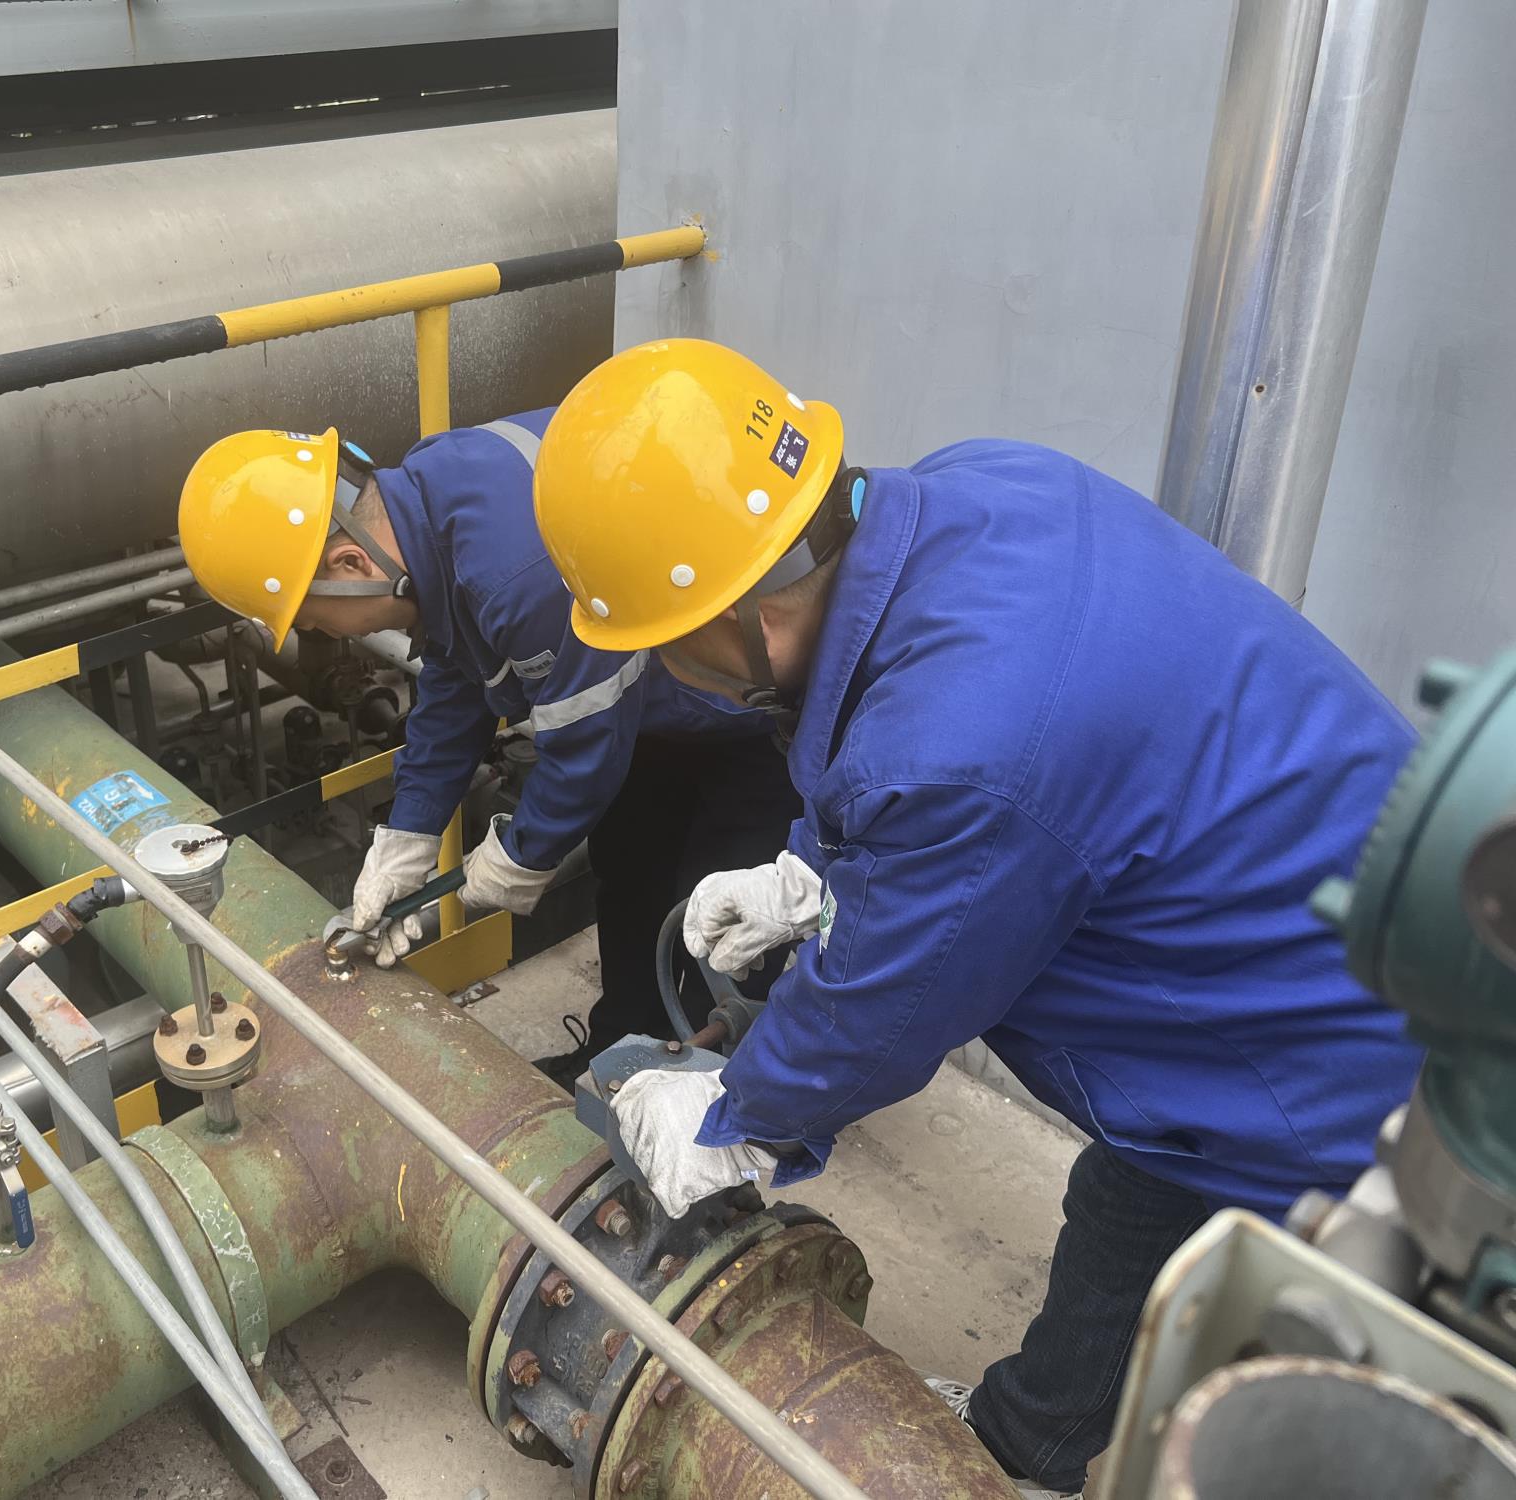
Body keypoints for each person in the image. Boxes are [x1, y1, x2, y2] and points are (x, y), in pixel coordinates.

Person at [530, 338, 1424, 1497]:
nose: (666, 670)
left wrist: (733, 1118)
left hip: (1330, 1054)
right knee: (1131, 1195)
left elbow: (884, 1006)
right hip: (1352, 888)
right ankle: (1029, 1444)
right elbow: (905, 736)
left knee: (1328, 1363)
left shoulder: (961, 754)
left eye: (661, 647)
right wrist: (807, 870)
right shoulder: (978, 487)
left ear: (730, 619)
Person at [175, 416, 799, 1080]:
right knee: (632, 874)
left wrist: (521, 854)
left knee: (720, 924)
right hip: (652, 711)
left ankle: (712, 1096)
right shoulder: (433, 499)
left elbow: (586, 744)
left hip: (749, 712)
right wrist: (408, 836)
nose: (327, 636)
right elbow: (457, 673)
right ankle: (614, 1062)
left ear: (351, 566)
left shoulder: (516, 572)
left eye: (312, 620)